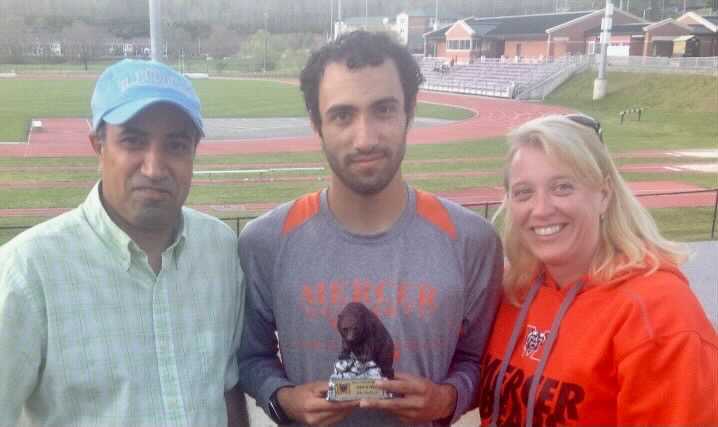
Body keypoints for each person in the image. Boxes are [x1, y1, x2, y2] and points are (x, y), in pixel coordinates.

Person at [236, 30, 503, 427]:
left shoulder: (472, 241)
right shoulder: (264, 242)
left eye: (383, 110)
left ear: (409, 113)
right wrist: (285, 399)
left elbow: (481, 361)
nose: (365, 138)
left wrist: (447, 398)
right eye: (343, 115)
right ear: (317, 124)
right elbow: (251, 358)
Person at [0, 59, 246, 426]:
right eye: (133, 141)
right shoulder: (27, 270)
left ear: (194, 150)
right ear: (98, 145)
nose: (154, 167)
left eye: (176, 145)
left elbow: (227, 388)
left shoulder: (221, 249)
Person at [477, 114, 718, 426]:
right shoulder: (513, 289)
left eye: (562, 187)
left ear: (604, 195)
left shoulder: (659, 314)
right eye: (524, 192)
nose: (541, 209)